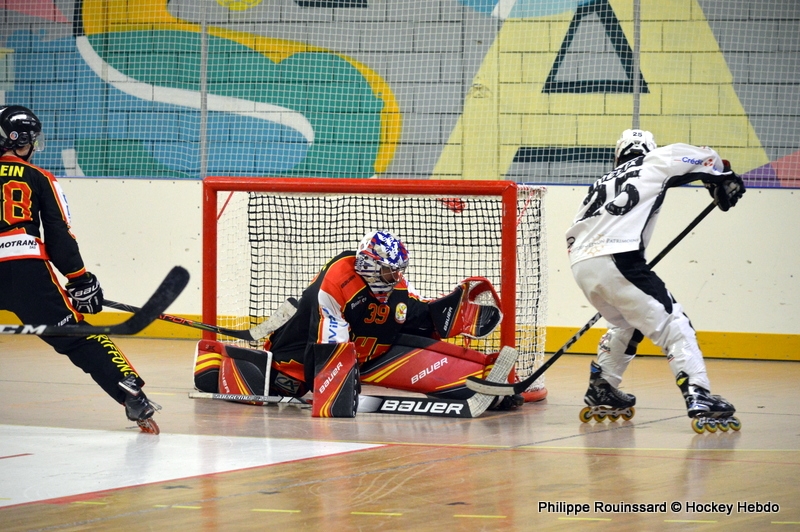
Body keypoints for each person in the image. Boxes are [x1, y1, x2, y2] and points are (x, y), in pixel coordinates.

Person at [194, 230, 522, 417]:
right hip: (305, 364)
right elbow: (327, 352)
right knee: (215, 376)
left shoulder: (394, 286)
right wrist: (336, 391)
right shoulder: (336, 285)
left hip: (370, 355)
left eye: (398, 271)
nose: (395, 278)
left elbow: (404, 313)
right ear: (367, 265)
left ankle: (489, 380)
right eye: (389, 272)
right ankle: (216, 357)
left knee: (474, 378)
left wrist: (441, 316)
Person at [566, 129, 746, 432]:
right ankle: (698, 393)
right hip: (620, 259)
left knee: (627, 323)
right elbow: (709, 157)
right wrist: (724, 177)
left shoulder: (602, 181)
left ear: (617, 154)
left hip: (582, 266)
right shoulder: (657, 159)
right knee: (674, 324)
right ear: (648, 148)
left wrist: (710, 180)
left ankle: (604, 387)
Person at [0, 105, 161, 434]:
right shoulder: (39, 177)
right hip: (25, 269)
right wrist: (80, 280)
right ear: (19, 141)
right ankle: (132, 396)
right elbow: (59, 236)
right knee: (79, 338)